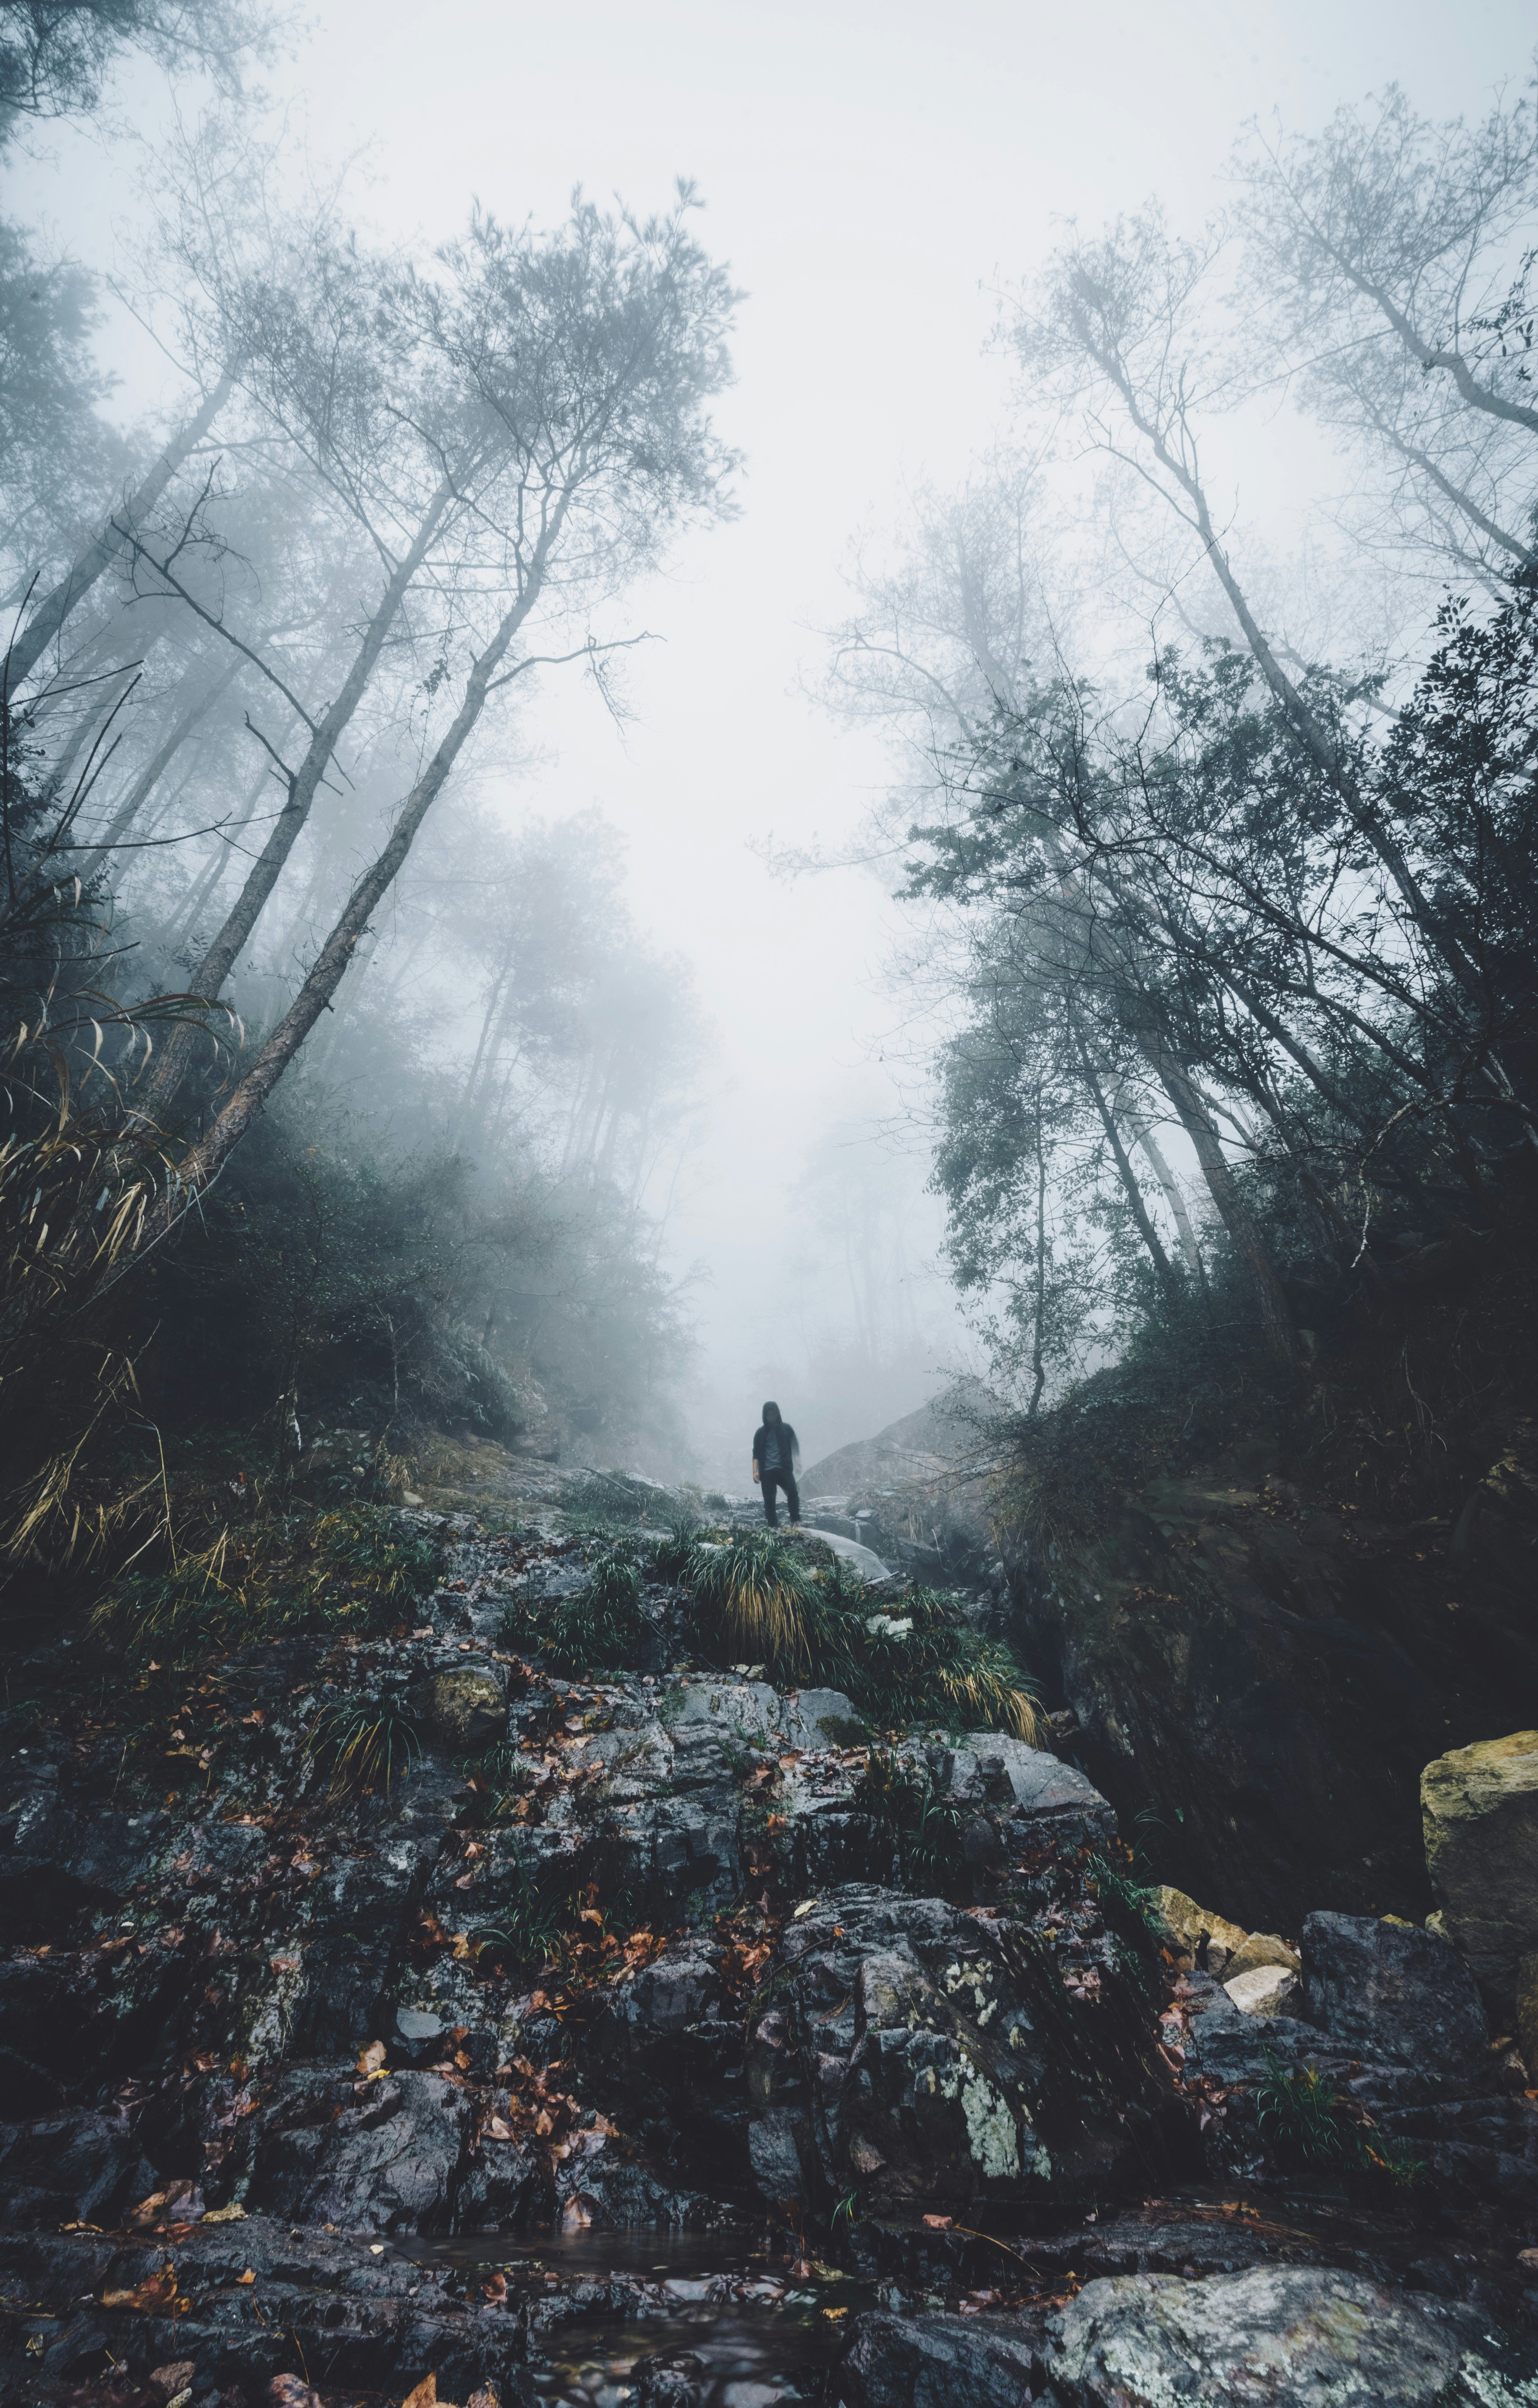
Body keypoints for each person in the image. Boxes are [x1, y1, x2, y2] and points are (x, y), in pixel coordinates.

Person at [751, 1401, 801, 1528]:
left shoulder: (787, 1429)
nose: (771, 1417)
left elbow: (795, 1446)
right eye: (769, 1415)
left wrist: (797, 1462)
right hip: (767, 1472)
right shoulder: (760, 1434)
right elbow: (756, 1454)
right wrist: (755, 1472)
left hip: (784, 1470)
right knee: (769, 1500)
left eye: (774, 1414)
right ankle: (773, 1528)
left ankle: (796, 1522)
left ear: (778, 1414)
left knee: (793, 1493)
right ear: (765, 1416)